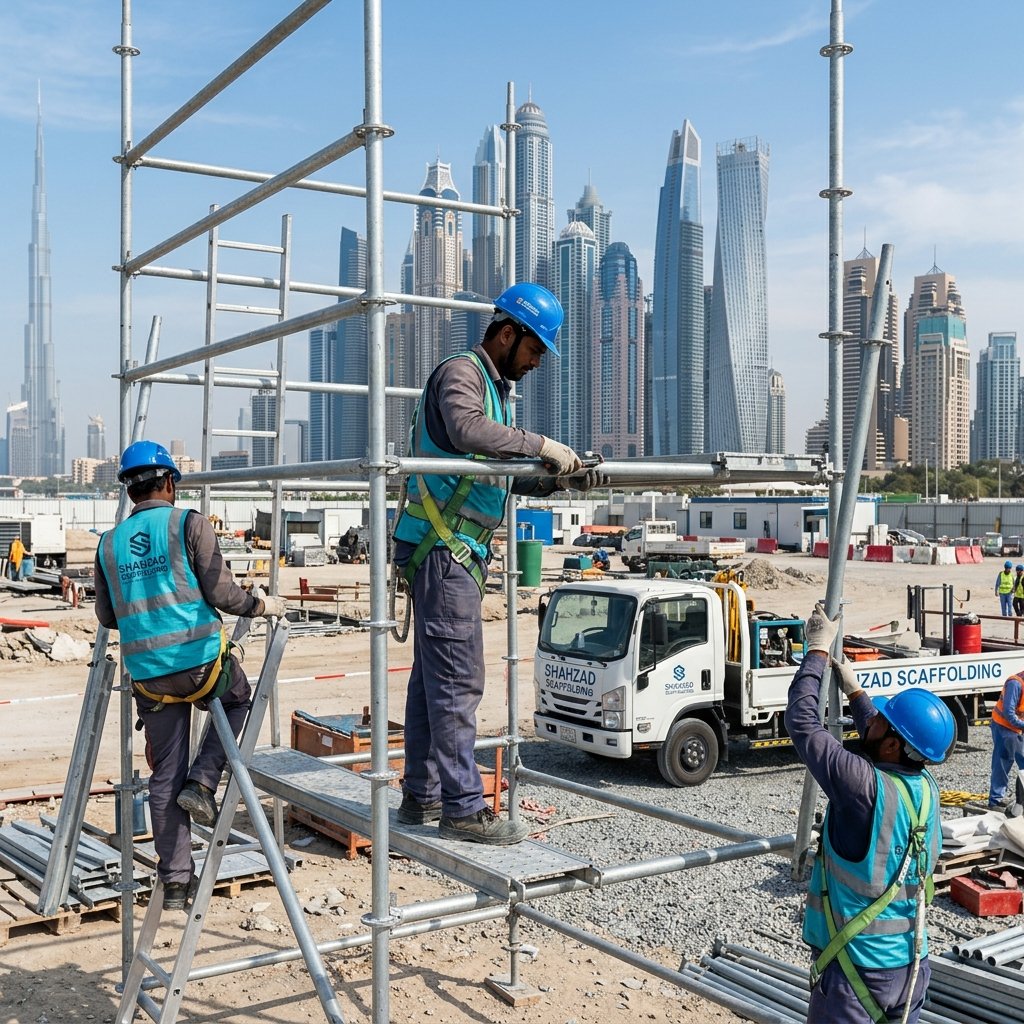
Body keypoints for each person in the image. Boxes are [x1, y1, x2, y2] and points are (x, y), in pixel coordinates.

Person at [392, 282, 607, 846]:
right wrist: (541, 444)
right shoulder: (462, 376)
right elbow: (466, 431)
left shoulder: (492, 390)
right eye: (535, 349)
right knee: (458, 681)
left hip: (446, 550)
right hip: (443, 550)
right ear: (507, 333)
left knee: (430, 681)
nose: (537, 363)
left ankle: (422, 795)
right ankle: (462, 808)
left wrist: (558, 477)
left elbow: (489, 471)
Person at [94, 441, 288, 910]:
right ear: (169, 482)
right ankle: (203, 781)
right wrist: (261, 605)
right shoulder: (188, 523)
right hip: (201, 667)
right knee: (240, 697)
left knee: (164, 777)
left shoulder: (109, 543)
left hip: (149, 680)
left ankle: (177, 881)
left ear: (130, 489)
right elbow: (223, 594)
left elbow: (108, 616)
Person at [785, 603, 954, 1024]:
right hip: (912, 967)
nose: (873, 719)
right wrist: (856, 694)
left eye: (883, 720)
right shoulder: (925, 789)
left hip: (857, 971)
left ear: (895, 744)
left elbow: (803, 723)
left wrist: (817, 651)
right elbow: (883, 736)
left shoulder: (863, 785)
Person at [988, 669, 1024, 810]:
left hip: (1017, 727)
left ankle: (1020, 800)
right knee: (1002, 762)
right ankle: (995, 800)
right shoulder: (1015, 684)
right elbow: (1009, 713)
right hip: (1003, 727)